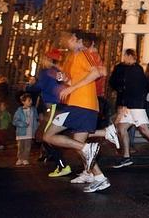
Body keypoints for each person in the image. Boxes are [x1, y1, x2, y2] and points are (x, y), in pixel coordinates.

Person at [43, 30, 111, 193]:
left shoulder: (83, 54)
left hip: (81, 104)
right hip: (79, 104)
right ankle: (100, 177)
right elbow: (77, 79)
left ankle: (99, 140)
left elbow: (95, 73)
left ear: (78, 40)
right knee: (79, 147)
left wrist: (71, 87)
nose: (68, 41)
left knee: (48, 136)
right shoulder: (72, 58)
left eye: (71, 38)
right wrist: (65, 80)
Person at [111, 50, 149, 170]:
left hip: (135, 106)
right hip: (130, 105)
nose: (123, 58)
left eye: (125, 56)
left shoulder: (135, 70)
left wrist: (124, 105)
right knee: (122, 128)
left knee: (145, 129)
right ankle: (126, 157)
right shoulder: (133, 69)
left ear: (130, 56)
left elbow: (131, 89)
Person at [27, 48, 72, 177]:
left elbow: (39, 87)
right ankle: (60, 163)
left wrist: (30, 86)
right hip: (57, 106)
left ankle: (62, 164)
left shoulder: (46, 72)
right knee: (45, 136)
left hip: (52, 107)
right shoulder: (58, 72)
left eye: (44, 58)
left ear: (48, 59)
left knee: (45, 136)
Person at [12, 93, 39, 166]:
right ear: (23, 102)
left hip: (30, 132)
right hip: (21, 132)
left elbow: (36, 120)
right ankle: (20, 158)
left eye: (31, 100)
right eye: (29, 100)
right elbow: (15, 121)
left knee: (27, 146)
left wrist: (36, 128)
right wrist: (22, 124)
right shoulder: (19, 111)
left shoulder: (33, 110)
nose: (31, 102)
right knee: (20, 146)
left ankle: (25, 159)